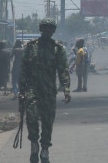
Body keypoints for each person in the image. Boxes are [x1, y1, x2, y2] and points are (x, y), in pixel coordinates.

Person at [19, 18, 71, 163]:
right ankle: (34, 144)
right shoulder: (31, 47)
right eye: (45, 28)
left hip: (49, 91)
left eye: (50, 28)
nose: (47, 31)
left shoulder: (57, 48)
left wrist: (66, 89)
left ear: (53, 31)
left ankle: (45, 149)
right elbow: (24, 69)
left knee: (48, 122)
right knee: (31, 117)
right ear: (41, 29)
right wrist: (21, 90)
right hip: (32, 89)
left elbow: (63, 70)